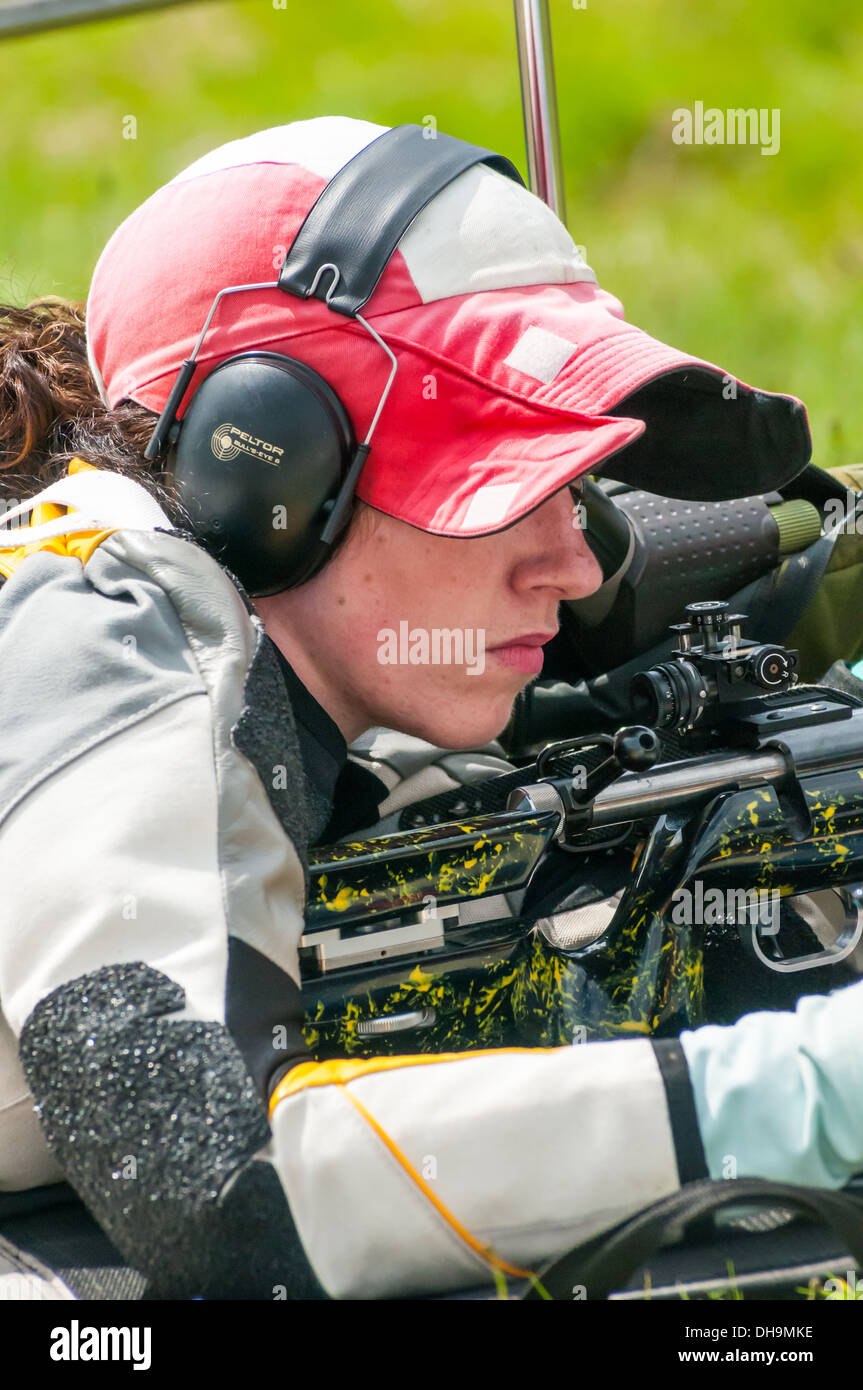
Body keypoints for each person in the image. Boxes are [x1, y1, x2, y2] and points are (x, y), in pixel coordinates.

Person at [0, 115, 860, 1301]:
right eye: (502, 482)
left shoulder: (326, 639)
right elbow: (215, 1188)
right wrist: (791, 1087)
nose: (566, 561)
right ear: (273, 471)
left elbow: (773, 552)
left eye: (576, 485)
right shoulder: (110, 620)